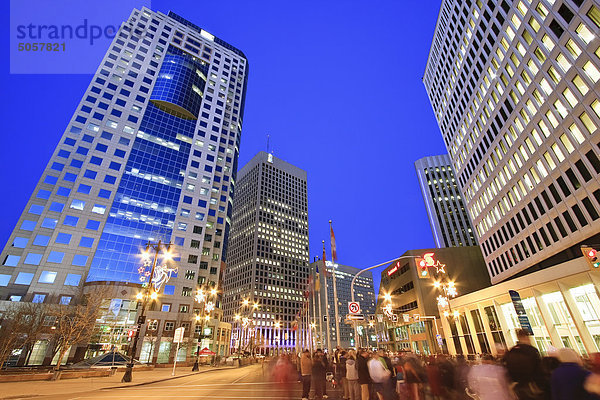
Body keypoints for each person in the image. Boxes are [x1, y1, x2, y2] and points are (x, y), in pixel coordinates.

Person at [503, 329, 549, 400]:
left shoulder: (511, 351)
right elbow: (539, 368)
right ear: (526, 337)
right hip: (531, 385)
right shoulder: (532, 350)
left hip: (516, 386)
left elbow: (506, 368)